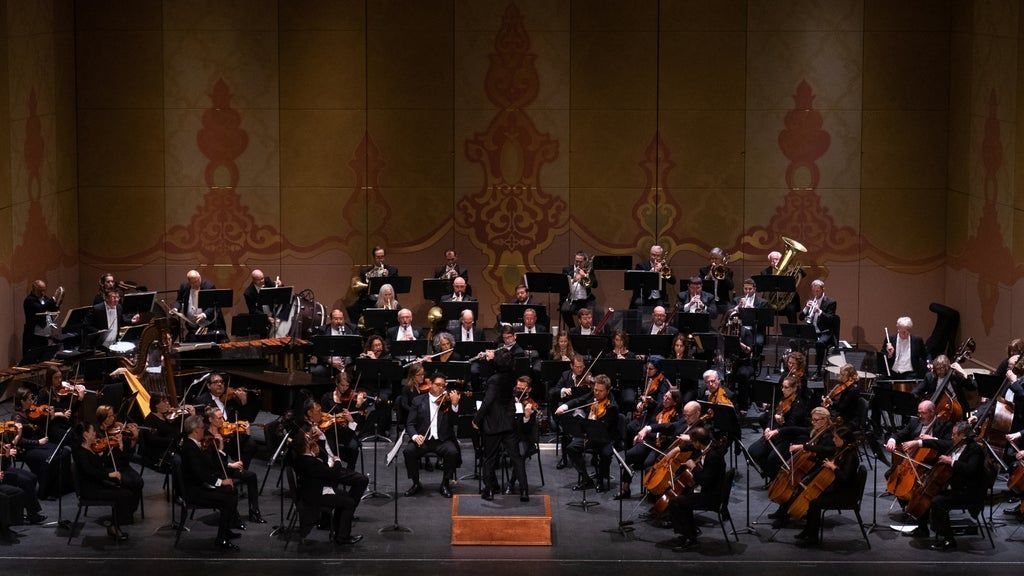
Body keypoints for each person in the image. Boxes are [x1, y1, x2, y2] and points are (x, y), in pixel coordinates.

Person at [905, 421, 987, 550]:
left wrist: (951, 461)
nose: (952, 436)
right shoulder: (956, 444)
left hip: (969, 492)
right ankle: (922, 529)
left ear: (963, 435)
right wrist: (917, 443)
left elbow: (970, 470)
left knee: (938, 502)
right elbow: (938, 443)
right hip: (958, 488)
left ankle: (949, 539)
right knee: (927, 494)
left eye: (954, 434)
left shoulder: (975, 449)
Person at [177, 415, 241, 550]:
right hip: (194, 492)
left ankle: (225, 530)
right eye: (202, 428)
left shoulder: (195, 444)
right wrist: (220, 482)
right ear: (195, 430)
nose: (204, 430)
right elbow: (199, 474)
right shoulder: (189, 448)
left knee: (232, 491)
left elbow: (208, 467)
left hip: (200, 486)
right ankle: (221, 539)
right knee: (227, 499)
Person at [291, 427, 362, 545]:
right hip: (315, 496)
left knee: (345, 496)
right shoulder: (310, 462)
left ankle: (338, 532)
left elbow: (323, 470)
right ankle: (342, 537)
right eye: (308, 438)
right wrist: (337, 461)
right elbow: (333, 474)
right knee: (349, 502)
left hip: (310, 491)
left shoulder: (301, 458)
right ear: (306, 443)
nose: (311, 438)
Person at [474, 348, 527, 501]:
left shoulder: (493, 380)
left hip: (493, 424)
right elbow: (501, 367)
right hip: (509, 422)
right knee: (516, 457)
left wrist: (476, 419)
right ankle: (524, 491)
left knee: (489, 458)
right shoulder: (512, 376)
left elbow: (487, 401)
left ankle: (489, 490)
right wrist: (492, 360)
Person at [793, 425, 861, 547]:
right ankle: (808, 531)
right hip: (839, 489)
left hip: (845, 495)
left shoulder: (851, 456)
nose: (833, 440)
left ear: (843, 440)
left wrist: (833, 467)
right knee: (813, 497)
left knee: (814, 503)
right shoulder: (842, 451)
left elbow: (844, 478)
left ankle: (813, 538)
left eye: (836, 438)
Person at [72, 422, 138, 540]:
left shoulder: (91, 448)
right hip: (90, 490)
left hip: (97, 485)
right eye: (93, 431)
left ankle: (115, 524)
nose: (95, 433)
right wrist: (109, 475)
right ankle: (114, 526)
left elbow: (103, 463)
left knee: (127, 491)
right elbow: (90, 472)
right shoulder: (81, 452)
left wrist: (119, 446)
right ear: (85, 434)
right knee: (125, 495)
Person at [555, 375, 619, 492]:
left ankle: (601, 480)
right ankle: (586, 479)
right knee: (571, 448)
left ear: (607, 391)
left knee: (605, 454)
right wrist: (564, 406)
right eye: (595, 390)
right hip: (590, 435)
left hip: (605, 437)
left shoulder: (612, 406)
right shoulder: (593, 395)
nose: (597, 393)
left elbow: (607, 428)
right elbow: (578, 400)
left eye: (600, 391)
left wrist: (595, 421)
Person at [667, 427, 726, 550]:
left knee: (675, 501)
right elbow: (705, 478)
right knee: (682, 496)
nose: (692, 444)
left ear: (698, 442)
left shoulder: (713, 456)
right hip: (708, 489)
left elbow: (705, 481)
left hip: (711, 496)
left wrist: (693, 467)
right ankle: (690, 531)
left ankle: (690, 538)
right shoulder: (710, 446)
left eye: (693, 442)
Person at [403, 373, 461, 497]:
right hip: (423, 440)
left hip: (442, 440)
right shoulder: (418, 401)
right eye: (437, 385)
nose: (441, 388)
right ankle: (416, 483)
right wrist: (415, 436)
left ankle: (445, 484)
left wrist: (454, 405)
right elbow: (410, 424)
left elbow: (454, 422)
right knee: (408, 451)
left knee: (452, 451)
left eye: (443, 386)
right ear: (430, 384)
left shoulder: (447, 401)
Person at [617, 388, 682, 499]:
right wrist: (640, 434)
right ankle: (625, 488)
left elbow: (673, 433)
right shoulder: (660, 407)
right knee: (630, 454)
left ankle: (652, 492)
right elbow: (650, 412)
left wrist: (663, 437)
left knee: (649, 464)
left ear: (675, 402)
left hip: (661, 446)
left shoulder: (677, 416)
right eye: (664, 396)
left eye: (668, 398)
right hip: (649, 441)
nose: (664, 399)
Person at [204, 408, 264, 524]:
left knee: (251, 476)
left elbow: (237, 452)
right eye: (219, 418)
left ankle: (254, 511)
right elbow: (212, 462)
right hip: (215, 471)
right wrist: (229, 462)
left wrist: (247, 434)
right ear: (210, 419)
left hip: (225, 468)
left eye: (223, 417)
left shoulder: (224, 434)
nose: (223, 421)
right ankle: (234, 518)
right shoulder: (206, 437)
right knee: (231, 487)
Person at [747, 377, 809, 479]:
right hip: (775, 433)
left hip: (788, 437)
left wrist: (781, 424)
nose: (782, 389)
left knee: (773, 459)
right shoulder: (782, 399)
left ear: (794, 389)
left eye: (786, 387)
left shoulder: (799, 404)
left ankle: (773, 478)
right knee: (753, 451)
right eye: (782, 387)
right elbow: (772, 414)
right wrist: (768, 427)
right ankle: (768, 472)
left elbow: (792, 426)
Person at [911, 355, 975, 421]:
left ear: (947, 367)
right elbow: (916, 392)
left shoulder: (955, 375)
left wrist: (962, 372)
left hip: (957, 410)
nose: (940, 371)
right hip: (937, 411)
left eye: (942, 368)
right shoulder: (930, 377)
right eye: (938, 369)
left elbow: (972, 386)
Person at [798, 279, 837, 379]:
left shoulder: (831, 302)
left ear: (823, 289)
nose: (815, 293)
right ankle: (801, 369)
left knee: (820, 343)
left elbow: (831, 319)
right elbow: (801, 318)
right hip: (812, 331)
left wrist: (819, 311)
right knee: (795, 341)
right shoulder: (810, 302)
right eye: (813, 290)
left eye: (817, 290)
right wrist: (806, 308)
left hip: (825, 332)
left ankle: (818, 371)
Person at [174, 269, 220, 339]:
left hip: (207, 324)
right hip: (191, 325)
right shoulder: (184, 286)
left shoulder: (209, 286)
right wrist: (175, 308)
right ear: (189, 281)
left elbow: (213, 305)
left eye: (196, 281)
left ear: (199, 278)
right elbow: (179, 300)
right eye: (192, 283)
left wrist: (204, 314)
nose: (195, 284)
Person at [22, 279, 59, 360]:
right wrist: (53, 298)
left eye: (44, 290)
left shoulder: (45, 298)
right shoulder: (29, 300)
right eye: (40, 291)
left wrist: (58, 300)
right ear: (34, 289)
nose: (42, 293)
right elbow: (41, 309)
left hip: (45, 337)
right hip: (35, 338)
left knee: (45, 359)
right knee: (34, 361)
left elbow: (54, 308)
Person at [562, 251, 598, 327]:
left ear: (585, 261)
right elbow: (563, 285)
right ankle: (573, 329)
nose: (578, 263)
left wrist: (585, 275)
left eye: (580, 262)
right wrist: (574, 280)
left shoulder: (589, 270)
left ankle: (587, 329)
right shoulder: (567, 270)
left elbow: (595, 285)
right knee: (564, 310)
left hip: (586, 300)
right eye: (576, 261)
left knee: (592, 312)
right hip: (572, 299)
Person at [242, 269, 284, 335]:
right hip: (260, 318)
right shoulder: (248, 293)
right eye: (259, 279)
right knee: (264, 337)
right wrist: (267, 318)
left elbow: (278, 290)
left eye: (262, 278)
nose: (262, 280)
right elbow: (253, 310)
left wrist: (280, 284)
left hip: (272, 313)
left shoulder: (267, 281)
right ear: (254, 280)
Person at [698, 247, 733, 315]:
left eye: (716, 259)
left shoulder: (727, 271)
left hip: (723, 302)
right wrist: (708, 276)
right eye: (712, 258)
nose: (713, 261)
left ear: (722, 259)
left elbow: (731, 287)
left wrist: (723, 276)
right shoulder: (704, 270)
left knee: (732, 311)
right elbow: (699, 285)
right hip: (708, 301)